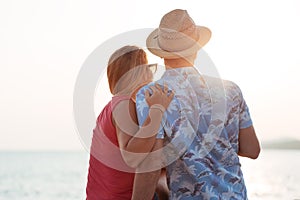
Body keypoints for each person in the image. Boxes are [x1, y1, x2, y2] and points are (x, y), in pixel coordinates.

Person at [135, 9, 261, 199]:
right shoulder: (230, 90)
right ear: (196, 48)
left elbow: (151, 165)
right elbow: (252, 150)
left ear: (162, 53)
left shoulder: (151, 95)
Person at [86, 45, 174, 200]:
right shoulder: (124, 105)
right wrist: (157, 109)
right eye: (148, 68)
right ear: (137, 72)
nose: (151, 74)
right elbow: (132, 156)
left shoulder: (112, 107)